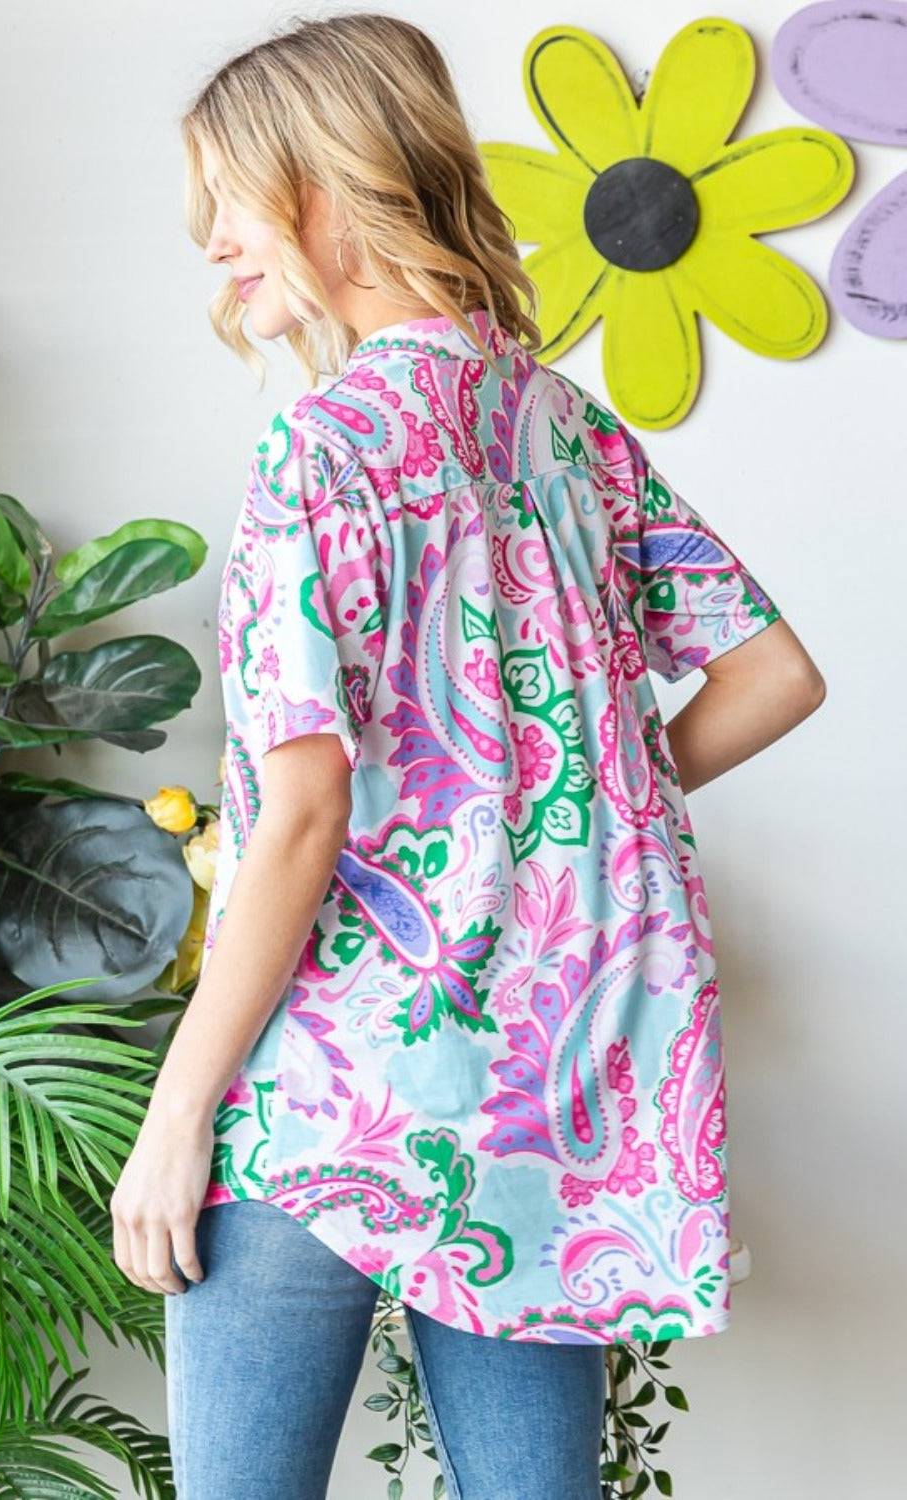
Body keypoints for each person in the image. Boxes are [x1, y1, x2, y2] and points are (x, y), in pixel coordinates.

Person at [108, 11, 826, 1499]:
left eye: (228, 208)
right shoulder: (564, 427)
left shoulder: (323, 448)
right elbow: (772, 676)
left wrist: (175, 1119)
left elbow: (303, 818)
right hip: (534, 1112)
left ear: (327, 184)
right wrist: (568, 797)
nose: (216, 252)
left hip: (336, 1100)